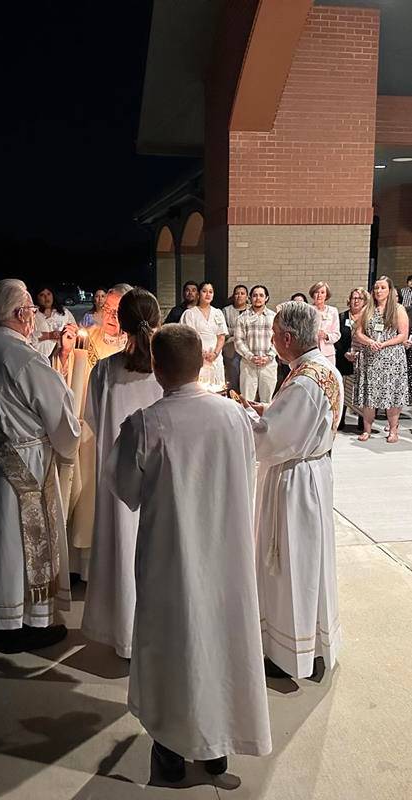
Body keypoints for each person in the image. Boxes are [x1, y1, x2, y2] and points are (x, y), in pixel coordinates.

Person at [106, 324, 271, 782]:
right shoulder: (236, 417)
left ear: (157, 369)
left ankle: (171, 749)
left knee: (174, 646)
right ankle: (217, 746)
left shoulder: (145, 424)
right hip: (226, 556)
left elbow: (125, 488)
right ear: (202, 363)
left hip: (171, 559)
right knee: (222, 642)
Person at [0, 279, 81, 652]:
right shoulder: (24, 357)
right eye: (28, 311)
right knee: (25, 541)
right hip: (26, 462)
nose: (32, 317)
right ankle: (32, 622)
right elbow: (60, 414)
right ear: (18, 314)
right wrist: (67, 446)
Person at [244, 301, 343, 681]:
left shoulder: (303, 381)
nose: (271, 343)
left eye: (273, 336)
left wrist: (241, 416)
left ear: (287, 337)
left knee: (289, 564)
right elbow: (294, 421)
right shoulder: (320, 368)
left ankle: (287, 653)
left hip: (294, 481)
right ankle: (311, 644)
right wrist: (267, 408)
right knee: (307, 561)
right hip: (313, 472)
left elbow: (270, 440)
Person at [82, 289, 163, 659]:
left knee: (122, 546)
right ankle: (158, 636)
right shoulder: (169, 369)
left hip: (118, 477)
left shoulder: (104, 371)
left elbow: (96, 422)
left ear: (123, 324)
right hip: (161, 479)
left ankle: (123, 631)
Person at [56, 283, 132, 579]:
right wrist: (65, 355)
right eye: (107, 309)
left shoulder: (140, 345)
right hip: (93, 429)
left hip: (127, 430)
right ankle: (89, 568)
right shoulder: (90, 342)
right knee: (91, 493)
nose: (111, 316)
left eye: (119, 310)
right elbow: (72, 383)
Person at [354, 276, 409, 443]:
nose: (379, 291)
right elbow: (359, 332)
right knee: (369, 395)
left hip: (392, 358)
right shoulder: (367, 309)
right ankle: (367, 430)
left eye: (383, 288)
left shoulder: (398, 309)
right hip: (370, 358)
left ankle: (393, 430)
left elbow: (403, 335)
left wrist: (384, 344)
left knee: (391, 395)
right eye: (376, 288)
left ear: (390, 290)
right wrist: (370, 341)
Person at [234, 285, 277, 402]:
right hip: (248, 365)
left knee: (267, 401)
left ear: (266, 298)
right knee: (247, 401)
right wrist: (251, 357)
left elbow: (278, 339)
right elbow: (238, 341)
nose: (258, 298)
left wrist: (269, 356)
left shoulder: (274, 317)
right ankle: (248, 420)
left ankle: (266, 421)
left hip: (268, 364)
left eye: (261, 295)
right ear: (250, 298)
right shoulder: (242, 317)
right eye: (255, 295)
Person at [335, 287, 369, 431]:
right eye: (353, 298)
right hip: (344, 359)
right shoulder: (342, 317)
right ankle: (340, 420)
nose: (356, 301)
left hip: (363, 359)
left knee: (361, 390)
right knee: (342, 390)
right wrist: (345, 353)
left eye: (359, 298)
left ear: (365, 301)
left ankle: (363, 421)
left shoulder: (369, 318)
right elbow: (337, 337)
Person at [180, 282, 228, 384]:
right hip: (197, 356)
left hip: (215, 357)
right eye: (204, 291)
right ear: (198, 294)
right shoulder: (190, 314)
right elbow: (189, 338)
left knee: (217, 389)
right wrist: (201, 353)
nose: (208, 294)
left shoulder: (218, 313)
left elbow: (221, 337)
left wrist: (215, 353)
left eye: (210, 292)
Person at [32, 285, 77, 359]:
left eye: (49, 294)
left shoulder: (64, 312)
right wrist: (49, 335)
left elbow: (75, 328)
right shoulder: (33, 314)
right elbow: (29, 336)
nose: (46, 297)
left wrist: (69, 332)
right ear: (37, 297)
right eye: (42, 295)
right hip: (39, 356)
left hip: (62, 356)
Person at [222, 284, 249, 391]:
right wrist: (240, 331)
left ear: (247, 296)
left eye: (242, 293)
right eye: (237, 293)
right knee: (233, 376)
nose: (239, 296)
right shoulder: (226, 310)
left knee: (247, 379)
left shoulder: (251, 310)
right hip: (231, 348)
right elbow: (224, 329)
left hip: (248, 349)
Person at [309, 281, 341, 364]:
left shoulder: (333, 311)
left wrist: (326, 336)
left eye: (322, 292)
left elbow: (337, 334)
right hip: (311, 352)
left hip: (328, 354)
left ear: (326, 295)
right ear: (313, 294)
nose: (319, 295)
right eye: (316, 292)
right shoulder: (308, 310)